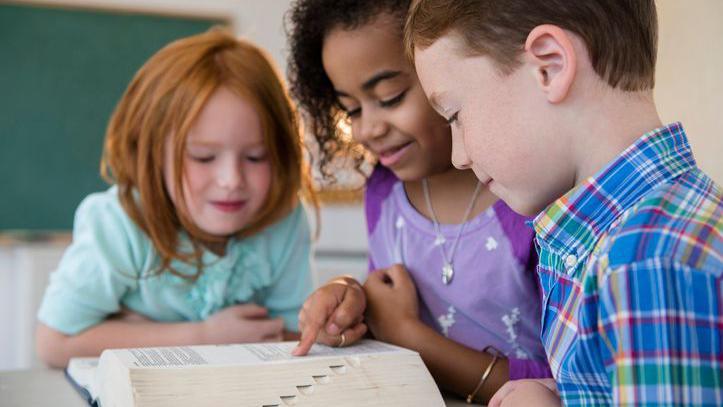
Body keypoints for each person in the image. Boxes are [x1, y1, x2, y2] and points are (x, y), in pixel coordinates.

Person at [406, 0, 723, 405]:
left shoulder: (647, 265)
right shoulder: (627, 237)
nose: (458, 156)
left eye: (454, 115)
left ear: (550, 66)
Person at [286, 0, 551, 403]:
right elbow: (385, 299)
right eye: (350, 108)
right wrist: (349, 298)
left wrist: (409, 336)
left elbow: (569, 381)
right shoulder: (383, 190)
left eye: (390, 97)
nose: (367, 128)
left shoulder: (528, 198)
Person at [35, 29, 314, 368]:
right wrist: (203, 338)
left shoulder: (281, 220)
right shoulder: (120, 223)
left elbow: (292, 333)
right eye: (202, 157)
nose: (231, 181)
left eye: (256, 157)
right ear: (153, 155)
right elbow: (53, 343)